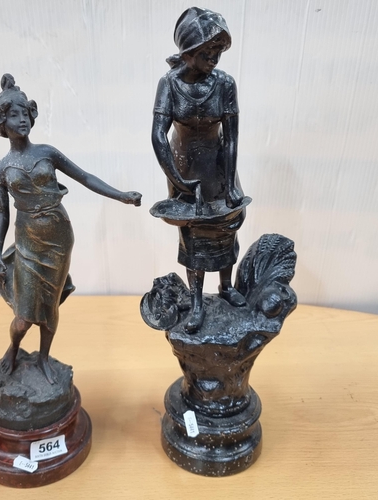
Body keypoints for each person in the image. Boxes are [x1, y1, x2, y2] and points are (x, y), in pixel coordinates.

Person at [0, 74, 141, 383]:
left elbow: (85, 177)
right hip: (27, 241)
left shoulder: (47, 153)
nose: (22, 120)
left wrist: (121, 195)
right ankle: (13, 350)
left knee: (50, 306)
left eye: (25, 113)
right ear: (2, 123)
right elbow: (1, 212)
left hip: (58, 237)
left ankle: (44, 358)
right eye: (14, 115)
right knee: (23, 316)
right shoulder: (2, 169)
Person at [151, 8, 247, 333]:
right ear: (188, 52)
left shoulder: (225, 84)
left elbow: (231, 139)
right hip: (183, 166)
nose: (214, 59)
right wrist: (177, 181)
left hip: (219, 167)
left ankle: (226, 285)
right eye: (207, 52)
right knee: (192, 234)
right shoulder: (169, 84)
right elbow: (158, 135)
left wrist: (231, 184)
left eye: (218, 51)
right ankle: (196, 302)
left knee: (227, 223)